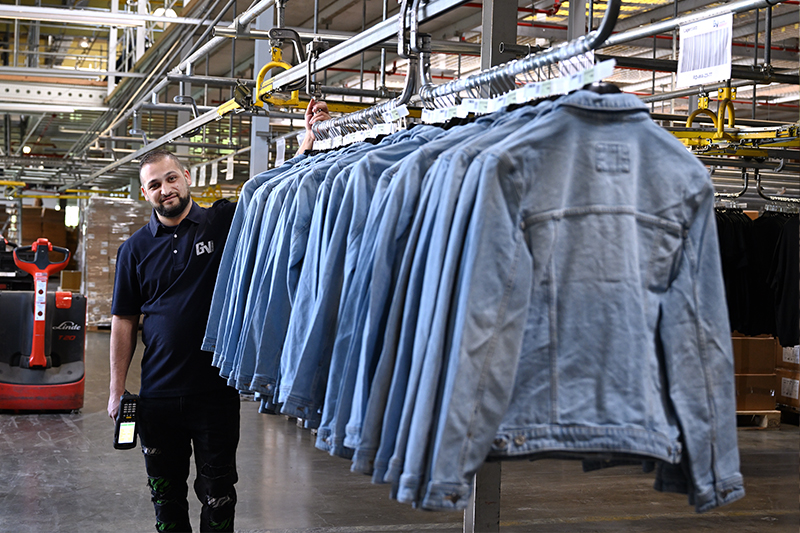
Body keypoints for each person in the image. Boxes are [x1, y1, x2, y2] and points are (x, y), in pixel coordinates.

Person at [108, 149, 239, 533]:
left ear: (185, 176)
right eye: (154, 185)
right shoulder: (134, 249)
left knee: (219, 495)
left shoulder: (222, 222)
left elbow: (270, 195)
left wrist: (305, 146)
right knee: (165, 498)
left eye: (170, 178)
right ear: (143, 193)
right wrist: (117, 390)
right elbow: (123, 319)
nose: (165, 189)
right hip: (158, 396)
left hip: (214, 390)